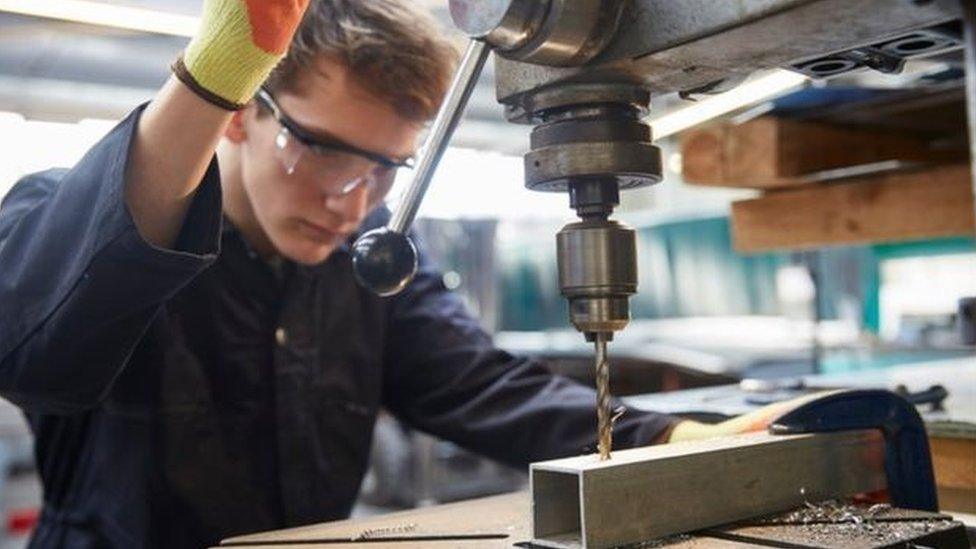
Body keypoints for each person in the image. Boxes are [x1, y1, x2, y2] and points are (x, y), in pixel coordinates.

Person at [0, 1, 790, 547]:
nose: (354, 199)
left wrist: (673, 436)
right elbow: (36, 353)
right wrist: (212, 73)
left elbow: (482, 386)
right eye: (321, 148)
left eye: (386, 169)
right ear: (241, 112)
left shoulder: (367, 261)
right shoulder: (67, 215)